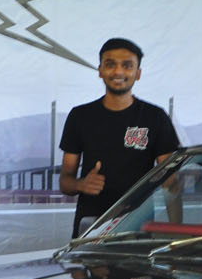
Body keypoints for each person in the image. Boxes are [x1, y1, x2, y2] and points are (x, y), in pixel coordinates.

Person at [58, 37, 181, 235]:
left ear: (138, 73)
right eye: (110, 64)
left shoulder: (155, 117)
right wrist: (81, 184)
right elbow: (65, 182)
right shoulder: (80, 116)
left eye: (127, 65)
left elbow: (171, 182)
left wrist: (177, 231)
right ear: (100, 70)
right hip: (90, 227)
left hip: (137, 228)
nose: (118, 72)